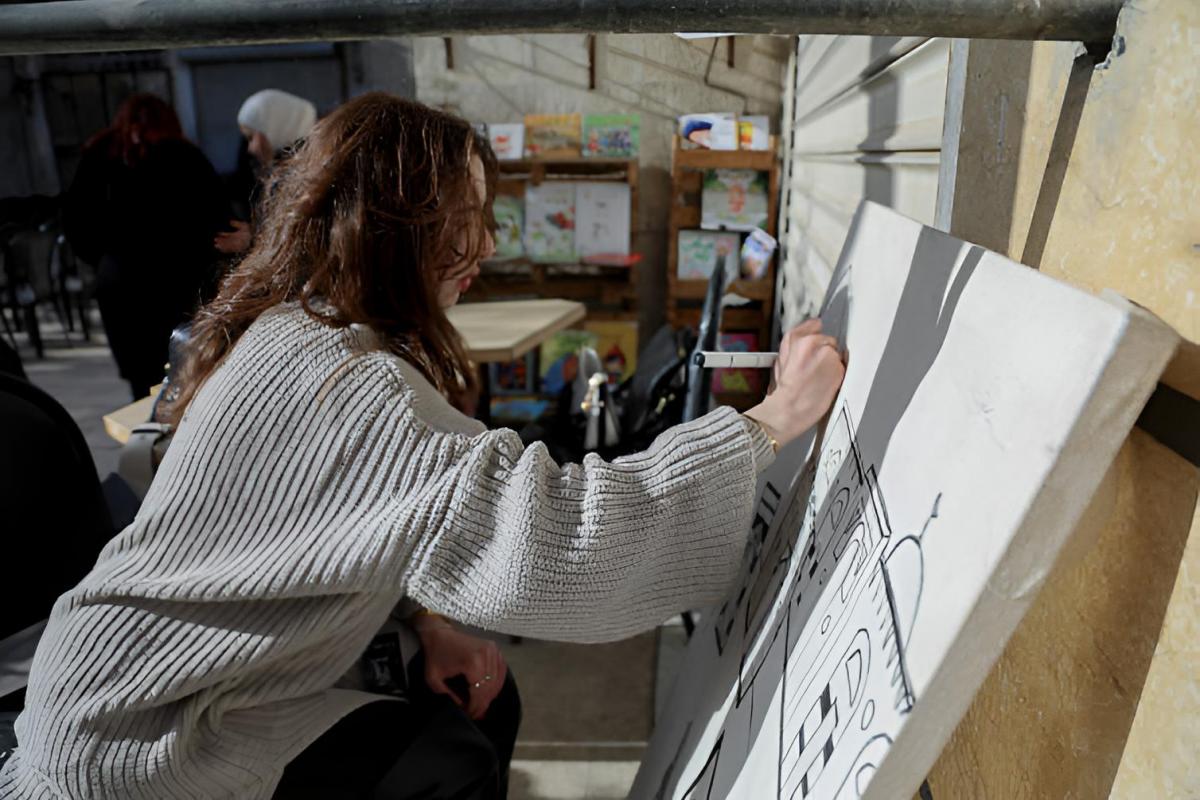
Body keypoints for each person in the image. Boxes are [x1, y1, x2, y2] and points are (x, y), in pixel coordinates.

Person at [0, 93, 845, 799]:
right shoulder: (355, 386)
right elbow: (568, 543)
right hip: (149, 745)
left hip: (118, 696)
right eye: (460, 220)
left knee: (475, 703)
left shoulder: (295, 327)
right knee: (456, 755)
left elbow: (327, 528)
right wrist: (769, 421)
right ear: (388, 222)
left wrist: (423, 614)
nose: (484, 246)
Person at [62, 94, 231, 399]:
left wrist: (104, 260)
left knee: (141, 385)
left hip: (121, 285)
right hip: (179, 281)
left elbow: (77, 222)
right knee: (187, 375)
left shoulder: (100, 155)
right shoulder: (185, 155)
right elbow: (217, 220)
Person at [215, 89, 317, 255]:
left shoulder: (301, 177)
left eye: (251, 137)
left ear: (274, 128)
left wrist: (254, 239)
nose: (250, 148)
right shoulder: (292, 170)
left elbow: (302, 243)